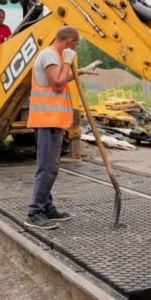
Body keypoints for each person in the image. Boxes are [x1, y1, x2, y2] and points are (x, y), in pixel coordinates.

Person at [26, 26, 102, 230]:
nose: (74, 49)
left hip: (53, 120)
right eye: (75, 45)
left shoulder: (56, 57)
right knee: (47, 167)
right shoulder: (50, 55)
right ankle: (35, 212)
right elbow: (58, 85)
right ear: (68, 41)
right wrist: (68, 61)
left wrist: (80, 70)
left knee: (51, 166)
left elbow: (60, 77)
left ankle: (47, 207)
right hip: (47, 120)